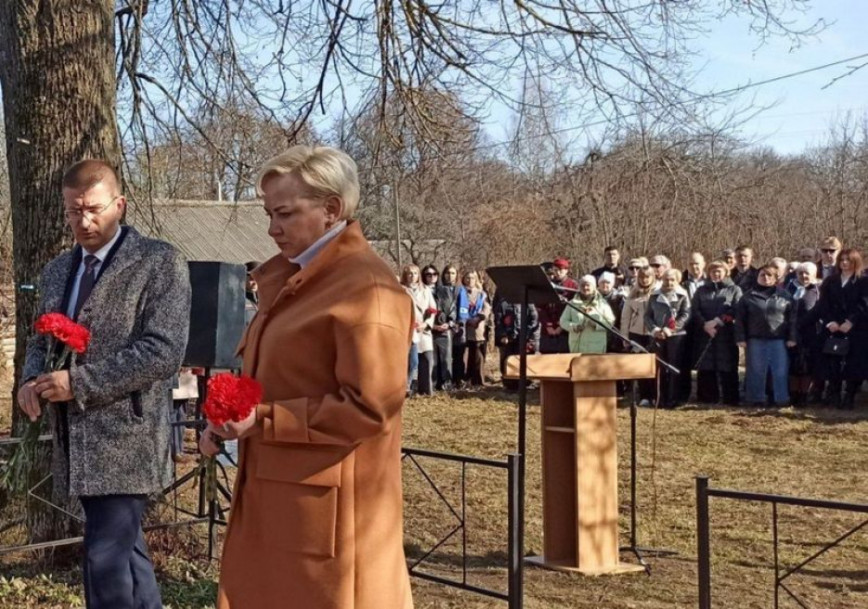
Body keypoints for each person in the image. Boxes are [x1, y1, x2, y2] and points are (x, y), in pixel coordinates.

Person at [200, 145, 414, 608]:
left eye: (285, 213)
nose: (273, 228)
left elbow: (369, 407)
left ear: (331, 209)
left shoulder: (366, 290)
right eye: (269, 213)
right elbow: (279, 375)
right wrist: (227, 421)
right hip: (282, 502)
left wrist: (264, 420)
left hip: (330, 523)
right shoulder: (298, 281)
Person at [19, 160, 191, 609]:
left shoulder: (158, 262)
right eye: (73, 212)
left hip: (127, 439)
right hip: (73, 441)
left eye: (93, 209)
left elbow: (162, 350)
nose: (84, 221)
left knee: (104, 562)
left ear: (120, 205)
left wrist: (79, 382)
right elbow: (41, 338)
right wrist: (30, 380)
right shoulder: (59, 270)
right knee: (128, 557)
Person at [735, 264, 797, 407]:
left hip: (779, 340)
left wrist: (792, 337)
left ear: (776, 278)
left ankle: (781, 399)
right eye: (762, 275)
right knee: (755, 370)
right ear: (757, 277)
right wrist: (740, 338)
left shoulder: (785, 296)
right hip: (755, 339)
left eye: (769, 275)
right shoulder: (747, 297)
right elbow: (740, 319)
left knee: (780, 370)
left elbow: (792, 319)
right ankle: (756, 399)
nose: (765, 278)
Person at [814, 248, 866, 409]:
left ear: (855, 262)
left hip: (856, 329)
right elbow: (823, 304)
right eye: (842, 260)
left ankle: (849, 396)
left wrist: (850, 322)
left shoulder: (864, 281)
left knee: (853, 363)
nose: (844, 263)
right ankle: (834, 395)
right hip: (833, 328)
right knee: (832, 362)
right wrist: (830, 322)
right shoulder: (831, 281)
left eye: (848, 260)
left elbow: (864, 303)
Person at [691, 261, 742, 405]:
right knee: (706, 367)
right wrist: (705, 324)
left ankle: (730, 399)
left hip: (726, 334)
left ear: (726, 273)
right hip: (704, 333)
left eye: (719, 271)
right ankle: (707, 398)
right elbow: (695, 310)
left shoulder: (734, 289)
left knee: (728, 366)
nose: (716, 274)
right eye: (713, 271)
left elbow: (736, 309)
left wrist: (718, 321)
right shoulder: (701, 290)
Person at [645, 269, 691, 407]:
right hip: (657, 336)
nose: (669, 282)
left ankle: (673, 399)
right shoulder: (654, 295)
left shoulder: (682, 295)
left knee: (674, 367)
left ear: (677, 281)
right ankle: (660, 398)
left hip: (676, 336)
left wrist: (671, 328)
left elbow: (686, 314)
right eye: (666, 279)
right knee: (659, 367)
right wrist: (655, 329)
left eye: (672, 280)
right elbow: (647, 316)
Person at [621, 265, 657, 405]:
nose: (644, 280)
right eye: (641, 277)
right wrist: (625, 336)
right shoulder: (633, 294)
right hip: (636, 334)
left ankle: (655, 395)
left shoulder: (657, 293)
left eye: (647, 277)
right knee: (640, 366)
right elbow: (625, 318)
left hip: (653, 333)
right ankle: (644, 396)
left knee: (653, 365)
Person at [788, 262, 821, 406]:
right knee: (793, 365)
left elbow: (819, 309)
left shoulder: (818, 289)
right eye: (801, 273)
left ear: (814, 274)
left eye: (807, 273)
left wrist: (803, 322)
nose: (804, 276)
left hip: (811, 332)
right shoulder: (790, 287)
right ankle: (794, 394)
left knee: (807, 366)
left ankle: (804, 395)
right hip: (791, 332)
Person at [401, 264, 437, 396]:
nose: (412, 276)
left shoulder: (426, 290)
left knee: (427, 359)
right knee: (412, 361)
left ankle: (426, 390)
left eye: (415, 273)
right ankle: (406, 387)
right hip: (409, 330)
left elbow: (433, 309)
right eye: (409, 273)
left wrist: (427, 323)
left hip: (424, 329)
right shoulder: (401, 290)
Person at [559, 275, 615, 354]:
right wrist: (574, 327)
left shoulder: (602, 304)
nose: (585, 288)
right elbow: (563, 321)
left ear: (594, 287)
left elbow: (610, 323)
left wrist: (596, 325)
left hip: (596, 347)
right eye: (582, 285)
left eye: (588, 285)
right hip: (577, 347)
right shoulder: (572, 304)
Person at [494, 295, 539, 390]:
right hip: (508, 338)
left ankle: (525, 383)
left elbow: (534, 319)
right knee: (507, 359)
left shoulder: (528, 302)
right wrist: (503, 335)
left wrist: (527, 335)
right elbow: (498, 321)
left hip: (523, 337)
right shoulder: (503, 303)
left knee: (522, 359)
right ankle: (508, 383)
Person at [679, 252, 707, 401]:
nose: (694, 266)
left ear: (703, 264)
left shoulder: (710, 281)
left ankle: (703, 394)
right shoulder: (681, 282)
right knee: (684, 361)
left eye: (697, 263)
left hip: (704, 326)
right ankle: (684, 394)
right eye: (691, 264)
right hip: (686, 327)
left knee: (703, 361)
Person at [538, 257, 577, 353]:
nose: (558, 272)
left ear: (566, 270)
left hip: (565, 330)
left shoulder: (573, 285)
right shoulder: (547, 285)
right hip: (548, 330)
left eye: (561, 270)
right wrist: (548, 325)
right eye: (556, 270)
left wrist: (561, 326)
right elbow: (540, 307)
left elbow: (574, 307)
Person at [459, 269, 490, 387]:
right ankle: (463, 378)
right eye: (467, 277)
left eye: (472, 278)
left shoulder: (482, 294)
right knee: (462, 354)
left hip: (477, 327)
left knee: (477, 354)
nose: (470, 280)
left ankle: (478, 380)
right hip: (462, 326)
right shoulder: (460, 292)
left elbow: (487, 308)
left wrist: (478, 318)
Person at [429, 265, 458, 390]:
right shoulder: (423, 290)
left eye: (434, 274)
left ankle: (447, 383)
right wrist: (431, 325)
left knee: (446, 357)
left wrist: (449, 323)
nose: (431, 277)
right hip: (428, 329)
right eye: (428, 274)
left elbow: (452, 309)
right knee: (432, 359)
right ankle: (433, 383)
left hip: (445, 329)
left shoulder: (445, 291)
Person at [440, 264, 468, 386]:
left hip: (457, 327)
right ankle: (445, 380)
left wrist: (459, 323)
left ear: (456, 275)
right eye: (447, 273)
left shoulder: (460, 289)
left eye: (452, 273)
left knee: (458, 354)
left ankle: (459, 379)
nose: (450, 275)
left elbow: (463, 307)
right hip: (443, 325)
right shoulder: (439, 288)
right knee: (445, 355)